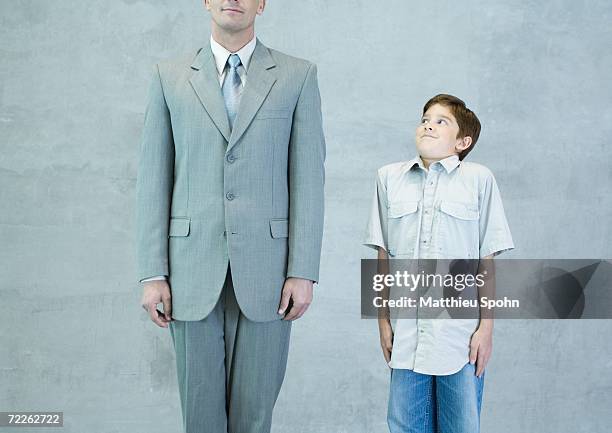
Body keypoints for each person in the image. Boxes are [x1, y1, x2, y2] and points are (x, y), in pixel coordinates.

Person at [135, 1, 326, 432]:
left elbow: (309, 182)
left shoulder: (298, 76)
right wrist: (152, 273)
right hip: (188, 272)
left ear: (262, 4)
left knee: (255, 418)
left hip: (270, 275)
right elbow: (153, 179)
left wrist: (303, 271)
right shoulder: (170, 76)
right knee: (200, 419)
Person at [363, 94, 514, 433]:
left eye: (441, 121)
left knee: (460, 425)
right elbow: (383, 256)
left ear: (463, 141)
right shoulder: (389, 178)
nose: (428, 124)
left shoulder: (478, 180)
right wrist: (383, 322)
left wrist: (485, 329)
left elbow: (485, 260)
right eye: (425, 118)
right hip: (406, 333)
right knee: (404, 424)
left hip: (459, 336)